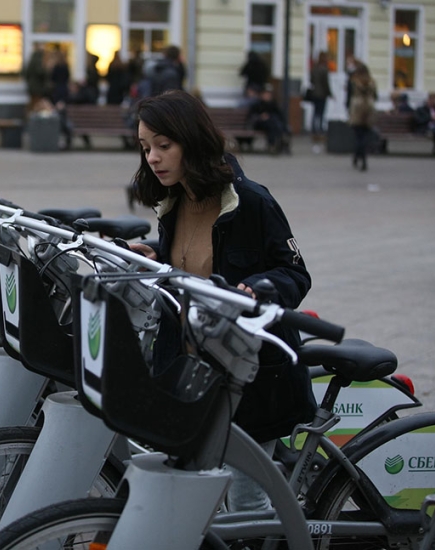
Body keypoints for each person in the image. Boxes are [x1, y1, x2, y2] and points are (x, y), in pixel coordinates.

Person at [128, 90, 314, 512]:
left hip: (248, 375)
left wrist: (256, 288)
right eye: (145, 147)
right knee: (194, 491)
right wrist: (157, 261)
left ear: (191, 141)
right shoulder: (172, 201)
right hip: (193, 373)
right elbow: (192, 271)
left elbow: (296, 274)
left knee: (247, 502)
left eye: (163, 145)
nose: (153, 158)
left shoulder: (250, 202)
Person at [347, 64, 377, 172]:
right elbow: (375, 96)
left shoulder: (354, 82)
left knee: (358, 136)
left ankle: (358, 157)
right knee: (364, 136)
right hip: (368, 110)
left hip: (357, 110)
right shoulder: (372, 83)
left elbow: (349, 97)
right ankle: (362, 159)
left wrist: (348, 111)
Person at [248, 84, 288, 154]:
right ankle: (277, 142)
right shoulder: (257, 104)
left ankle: (274, 144)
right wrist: (261, 117)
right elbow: (251, 116)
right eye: (265, 94)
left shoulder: (274, 105)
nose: (267, 95)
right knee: (273, 124)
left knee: (273, 123)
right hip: (260, 124)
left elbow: (280, 116)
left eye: (268, 94)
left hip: (272, 124)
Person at [309, 51, 332, 143]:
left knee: (315, 113)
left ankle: (314, 129)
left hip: (315, 93)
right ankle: (320, 130)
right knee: (321, 113)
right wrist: (330, 93)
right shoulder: (324, 69)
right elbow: (325, 83)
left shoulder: (315, 68)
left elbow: (311, 80)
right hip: (322, 94)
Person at [24, 44, 49, 113]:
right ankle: (33, 118)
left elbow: (26, 73)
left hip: (32, 86)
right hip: (37, 87)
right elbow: (40, 72)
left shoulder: (32, 60)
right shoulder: (39, 60)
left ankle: (30, 117)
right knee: (36, 104)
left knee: (33, 103)